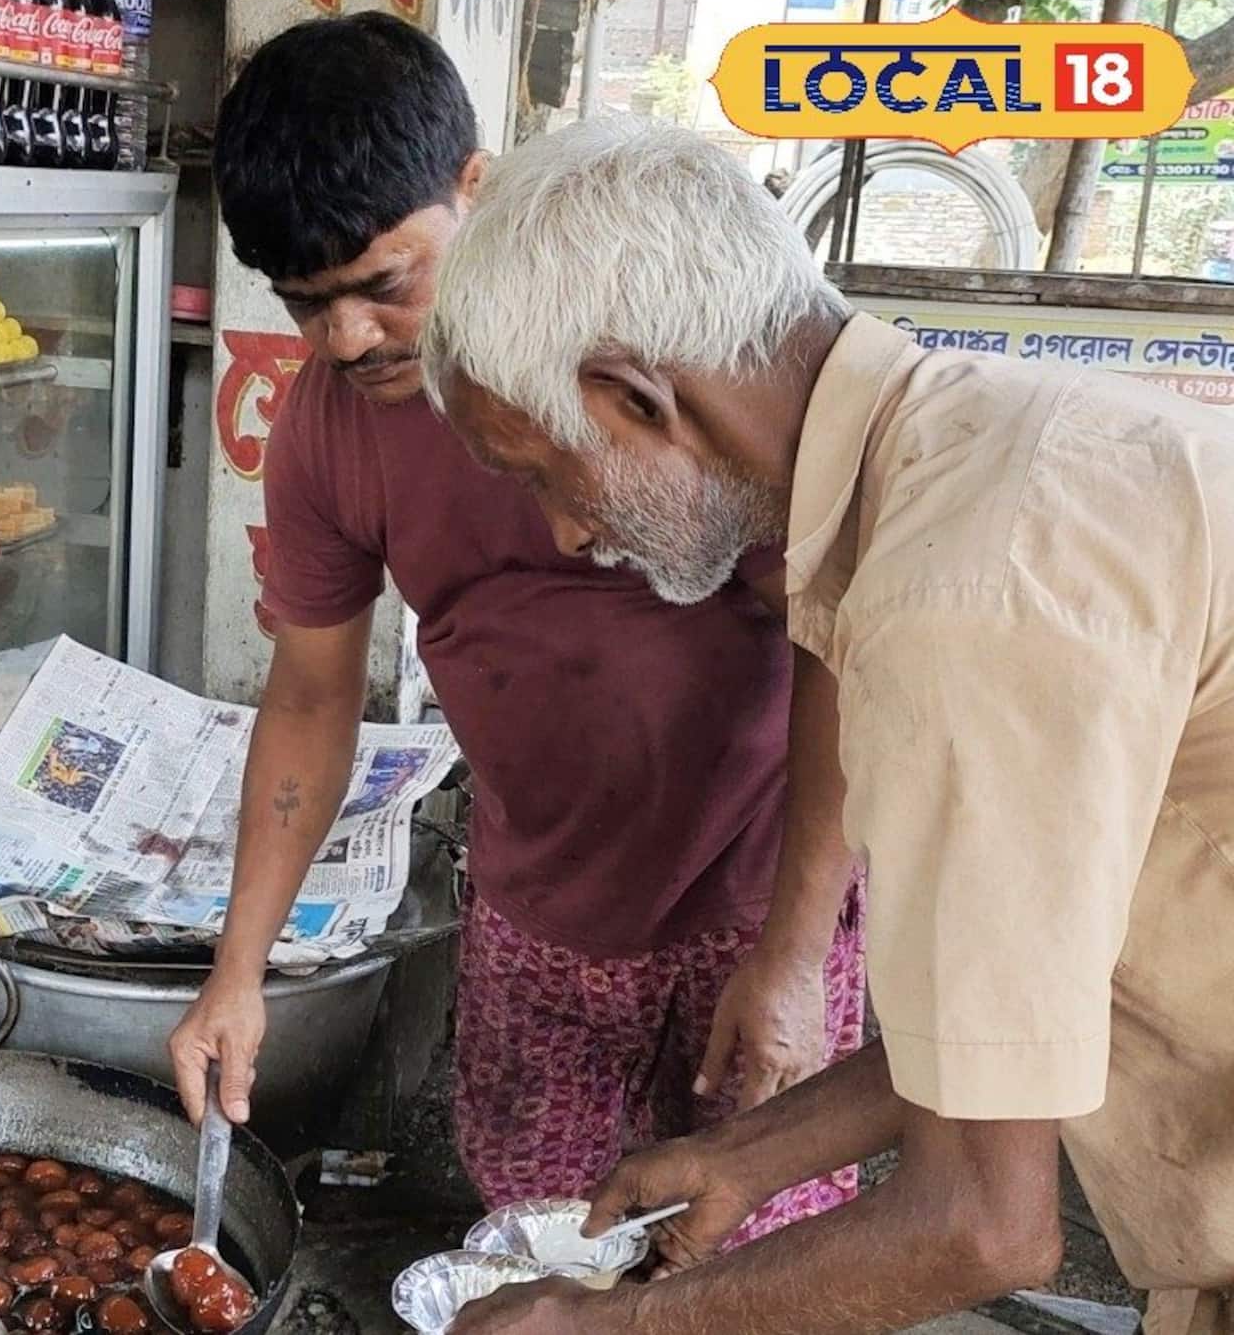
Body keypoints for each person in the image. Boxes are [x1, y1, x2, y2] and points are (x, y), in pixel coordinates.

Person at [423, 118, 1234, 1335]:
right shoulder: (975, 449)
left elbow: (982, 1224)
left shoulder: (961, 595)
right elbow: (1002, 1018)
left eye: (545, 474)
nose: (565, 534)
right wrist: (750, 1156)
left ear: (633, 397)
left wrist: (604, 1326)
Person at [164, 13, 867, 1234]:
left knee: (753, 1254)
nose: (344, 340)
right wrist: (238, 974)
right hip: (538, 915)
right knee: (539, 1252)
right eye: (302, 302)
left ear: (474, 188)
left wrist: (795, 958)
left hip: (753, 901)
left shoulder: (646, 351)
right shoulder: (325, 425)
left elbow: (837, 644)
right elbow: (311, 695)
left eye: (382, 286)